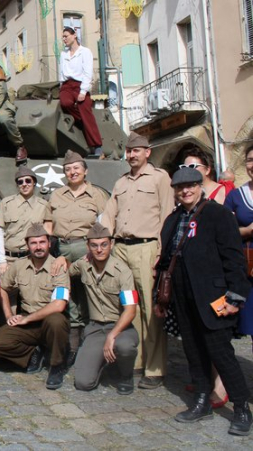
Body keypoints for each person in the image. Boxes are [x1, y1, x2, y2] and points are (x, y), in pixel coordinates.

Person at [157, 167, 251, 435]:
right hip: (182, 297)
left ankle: (242, 407)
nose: (185, 190)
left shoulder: (218, 215)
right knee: (194, 352)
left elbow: (234, 259)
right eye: (180, 187)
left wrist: (235, 295)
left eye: (190, 185)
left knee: (221, 354)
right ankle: (202, 400)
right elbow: (165, 262)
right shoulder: (173, 220)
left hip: (212, 297)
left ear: (200, 186)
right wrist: (160, 299)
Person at [100, 132, 173, 389]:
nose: (132, 155)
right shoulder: (121, 182)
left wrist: (161, 254)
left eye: (137, 151)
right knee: (129, 307)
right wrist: (104, 242)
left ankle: (155, 368)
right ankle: (137, 361)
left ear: (147, 152)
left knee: (151, 310)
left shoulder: (160, 178)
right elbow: (109, 214)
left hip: (147, 247)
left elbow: (167, 216)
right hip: (121, 248)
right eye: (129, 151)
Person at [44, 150, 108, 365]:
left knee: (90, 294)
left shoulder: (97, 195)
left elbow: (103, 225)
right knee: (68, 297)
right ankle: (72, 346)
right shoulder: (57, 195)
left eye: (76, 169)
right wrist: (52, 251)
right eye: (68, 169)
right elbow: (49, 223)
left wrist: (96, 251)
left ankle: (92, 344)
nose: (72, 172)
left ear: (85, 171)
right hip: (62, 248)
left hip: (87, 248)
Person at [0, 223, 71, 390]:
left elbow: (59, 305)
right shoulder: (19, 265)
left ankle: (56, 366)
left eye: (42, 242)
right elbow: (2, 288)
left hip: (48, 322)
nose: (38, 247)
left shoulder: (58, 266)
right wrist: (8, 316)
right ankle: (33, 354)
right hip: (27, 322)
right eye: (34, 243)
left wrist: (27, 319)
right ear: (27, 245)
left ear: (49, 243)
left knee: (57, 321)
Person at [68, 223, 139, 395]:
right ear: (88, 246)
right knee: (83, 383)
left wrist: (112, 336)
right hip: (95, 328)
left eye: (104, 244)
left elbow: (130, 310)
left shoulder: (123, 272)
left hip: (120, 328)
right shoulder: (84, 265)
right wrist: (61, 260)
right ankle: (104, 363)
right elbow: (69, 270)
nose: (99, 250)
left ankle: (125, 375)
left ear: (111, 244)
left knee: (125, 347)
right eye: (94, 245)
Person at [59, 27, 103, 158]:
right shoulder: (63, 54)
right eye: (63, 37)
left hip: (80, 85)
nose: (64, 39)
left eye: (66, 36)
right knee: (65, 103)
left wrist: (83, 91)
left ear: (74, 35)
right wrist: (61, 86)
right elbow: (62, 72)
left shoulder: (85, 52)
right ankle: (80, 121)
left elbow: (87, 72)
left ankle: (97, 146)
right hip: (67, 85)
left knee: (86, 111)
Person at [224, 145, 253, 342]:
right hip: (248, 267)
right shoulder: (236, 196)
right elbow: (225, 232)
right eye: (250, 159)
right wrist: (248, 230)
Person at [0, 167, 47, 275]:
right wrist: (1, 261)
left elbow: (47, 234)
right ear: (17, 185)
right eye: (20, 182)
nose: (24, 184)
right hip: (9, 260)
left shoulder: (43, 205)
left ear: (34, 183)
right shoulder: (6, 203)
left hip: (32, 259)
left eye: (28, 180)